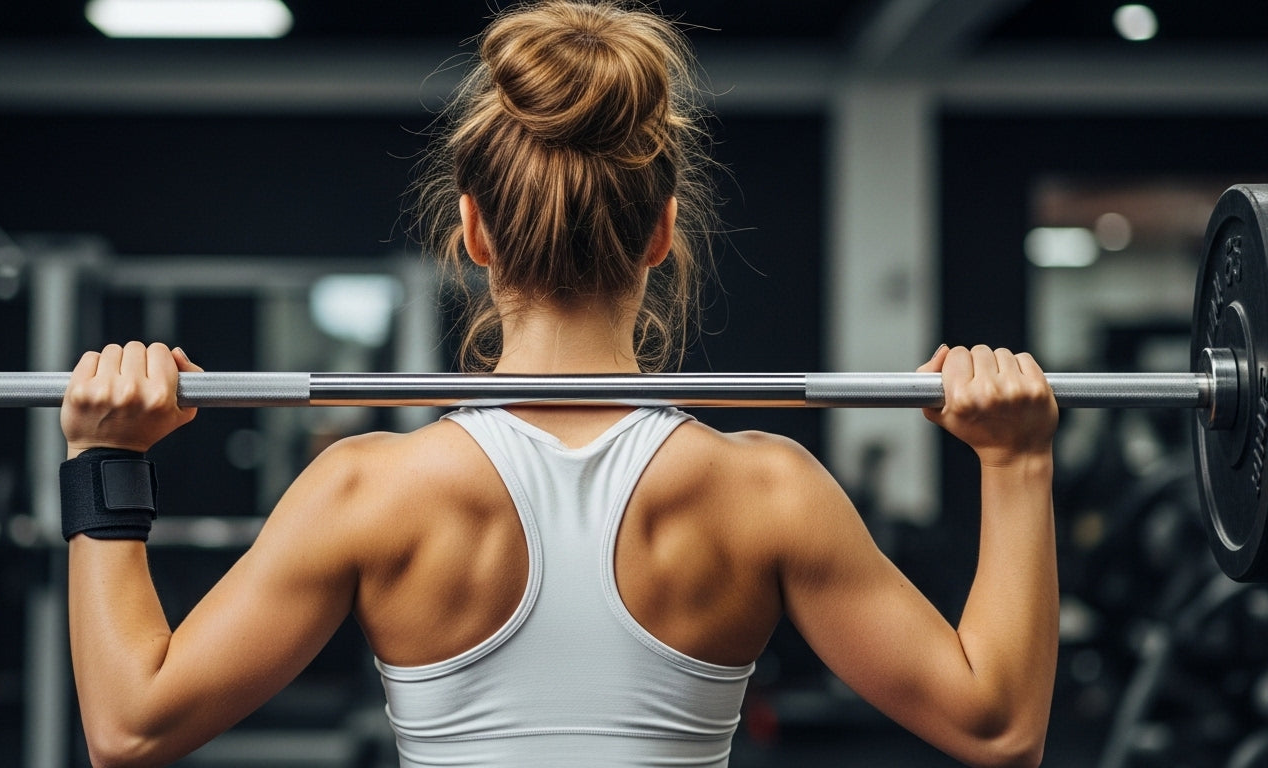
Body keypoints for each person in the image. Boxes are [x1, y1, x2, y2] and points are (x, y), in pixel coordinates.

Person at [59, 2, 1060, 767]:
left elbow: (129, 728)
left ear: (473, 231)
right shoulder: (765, 492)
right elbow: (1000, 725)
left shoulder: (364, 489)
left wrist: (105, 458)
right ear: (662, 232)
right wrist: (1013, 462)